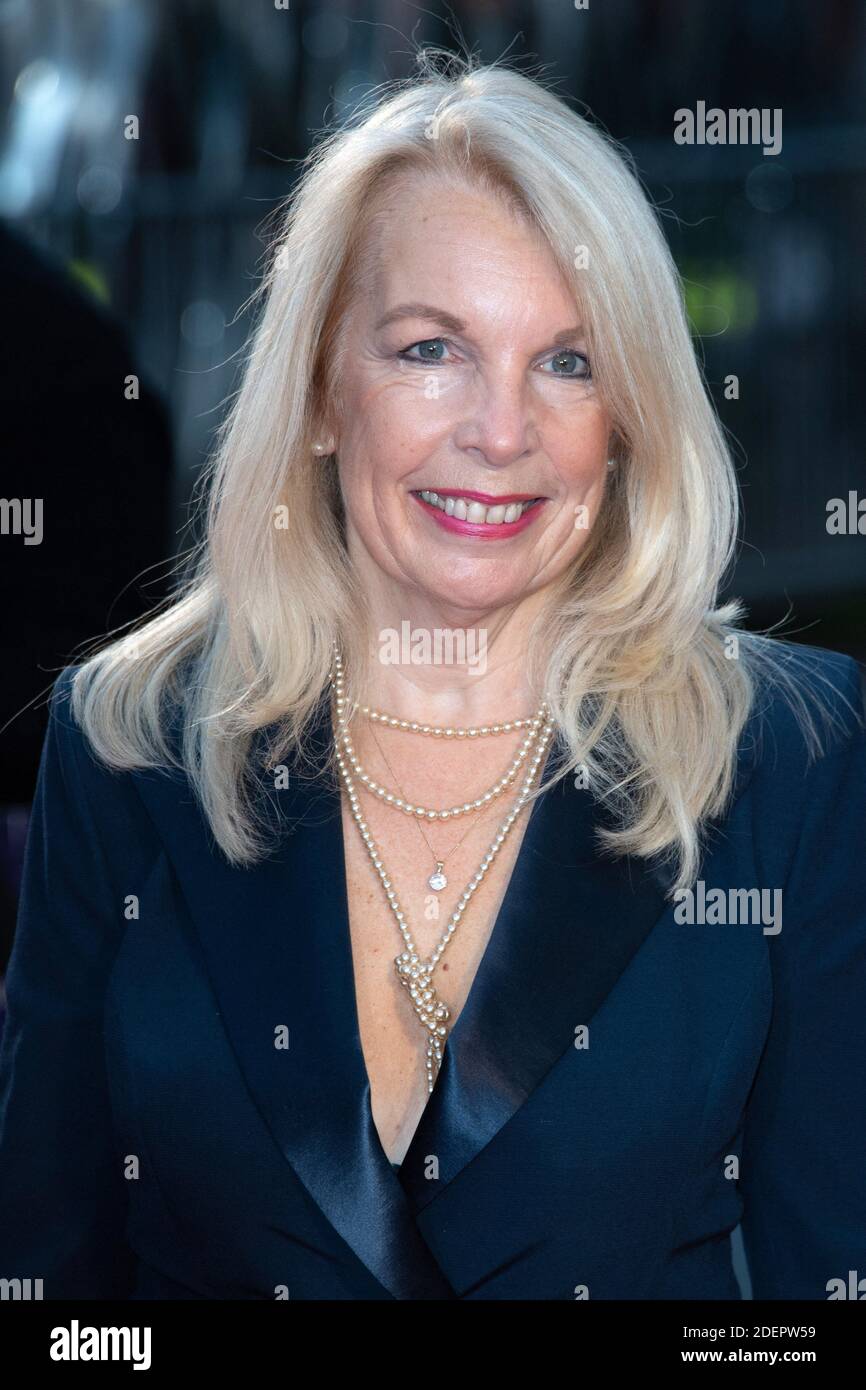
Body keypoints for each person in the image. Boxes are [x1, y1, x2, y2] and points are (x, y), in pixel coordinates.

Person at [0, 53, 864, 1302]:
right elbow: (51, 1288)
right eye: (429, 350)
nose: (500, 431)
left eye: (566, 362)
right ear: (316, 394)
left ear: (624, 418)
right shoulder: (129, 748)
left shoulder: (786, 756)